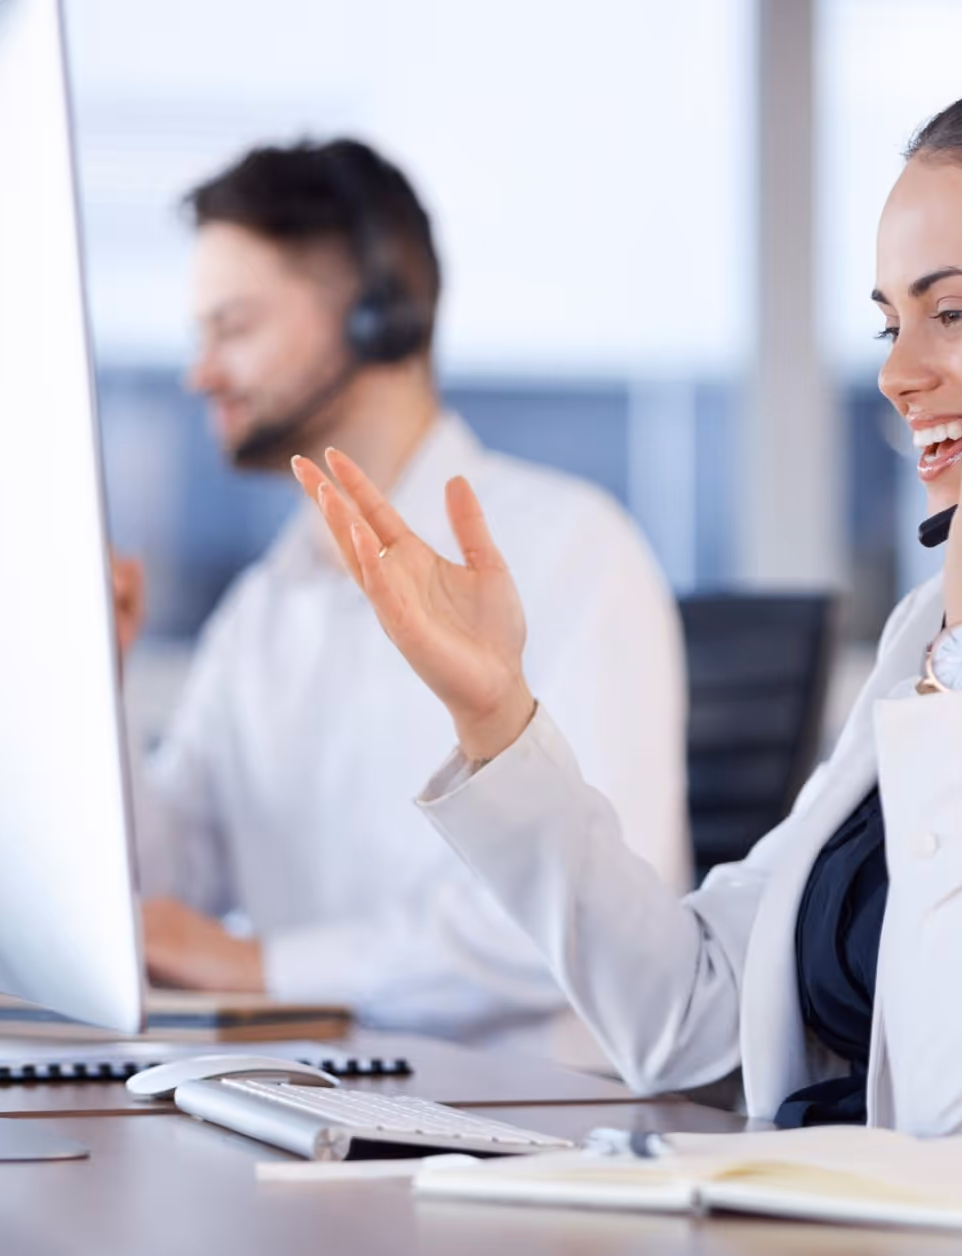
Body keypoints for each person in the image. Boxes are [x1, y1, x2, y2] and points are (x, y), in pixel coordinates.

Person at [293, 51, 962, 1228]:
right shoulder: (943, 618)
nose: (897, 374)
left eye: (951, 311)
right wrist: (497, 718)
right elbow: (694, 1013)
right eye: (888, 322)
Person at [125, 139, 690, 1067]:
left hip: (534, 1118)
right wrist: (89, 689)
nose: (202, 372)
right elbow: (166, 888)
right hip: (309, 1097)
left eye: (233, 328)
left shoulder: (570, 548)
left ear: (376, 314)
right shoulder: (265, 606)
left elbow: (580, 920)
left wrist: (265, 964)